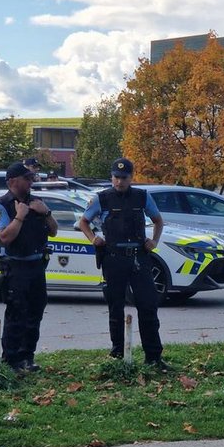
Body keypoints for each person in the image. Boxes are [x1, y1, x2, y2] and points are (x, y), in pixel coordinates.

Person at [78, 157, 170, 370]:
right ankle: (117, 353)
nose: (119, 182)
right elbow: (83, 221)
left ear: (131, 177)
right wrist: (93, 238)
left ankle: (153, 357)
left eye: (124, 178)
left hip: (139, 258)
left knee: (148, 306)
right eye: (116, 177)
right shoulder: (102, 198)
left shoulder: (142, 197)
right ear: (111, 177)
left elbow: (158, 220)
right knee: (115, 307)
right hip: (113, 258)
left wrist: (154, 241)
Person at [0, 161, 59, 373]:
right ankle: (10, 361)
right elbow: (4, 238)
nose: (30, 181)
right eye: (26, 178)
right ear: (12, 181)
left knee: (35, 313)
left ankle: (27, 357)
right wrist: (20, 216)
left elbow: (54, 231)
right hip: (15, 267)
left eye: (31, 178)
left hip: (36, 266)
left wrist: (46, 213)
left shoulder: (36, 202)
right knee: (16, 314)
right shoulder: (1, 205)